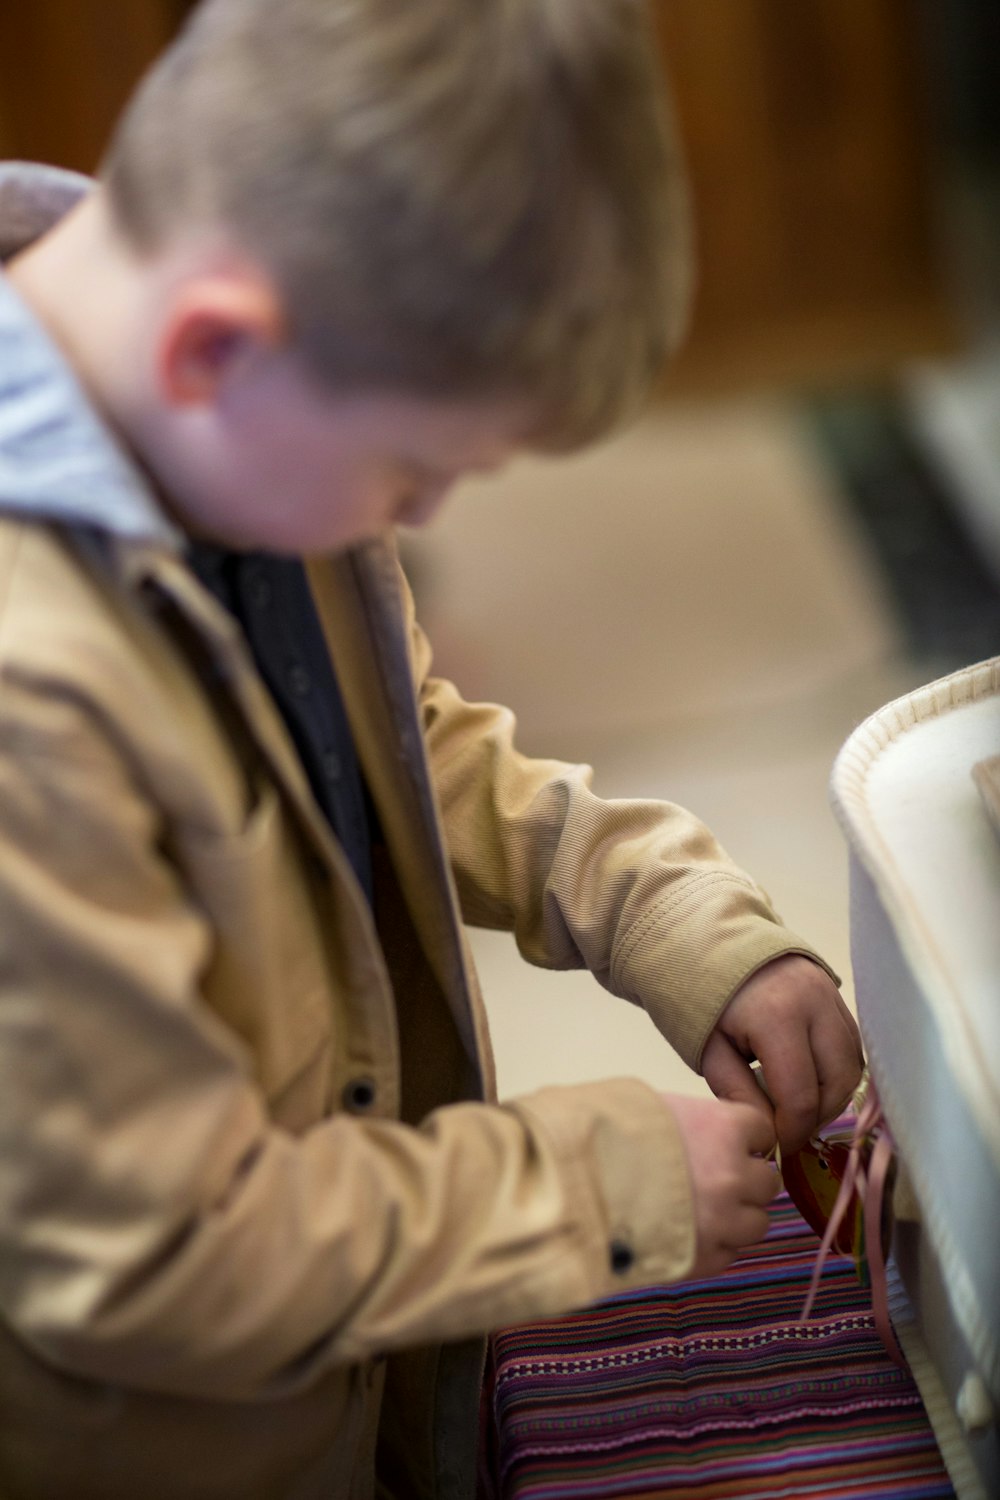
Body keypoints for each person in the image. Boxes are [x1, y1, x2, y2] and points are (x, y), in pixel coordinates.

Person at [0, 2, 863, 1496]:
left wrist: (659, 914)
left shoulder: (205, 419)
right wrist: (591, 1184)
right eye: (417, 467)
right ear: (218, 347)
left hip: (346, 1367)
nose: (430, 517)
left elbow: (403, 745)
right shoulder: (31, 719)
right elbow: (156, 1254)